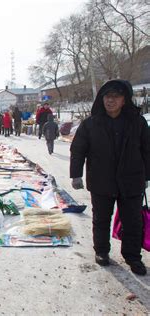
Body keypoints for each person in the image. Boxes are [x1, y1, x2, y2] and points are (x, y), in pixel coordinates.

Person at [70, 79, 149, 276]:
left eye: (116, 97)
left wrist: (147, 174)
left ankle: (132, 256)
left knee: (133, 221)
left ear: (125, 100)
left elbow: (147, 150)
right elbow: (78, 149)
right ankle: (102, 252)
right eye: (107, 96)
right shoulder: (91, 124)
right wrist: (76, 174)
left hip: (131, 180)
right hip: (101, 180)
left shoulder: (137, 123)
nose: (110, 101)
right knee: (101, 219)